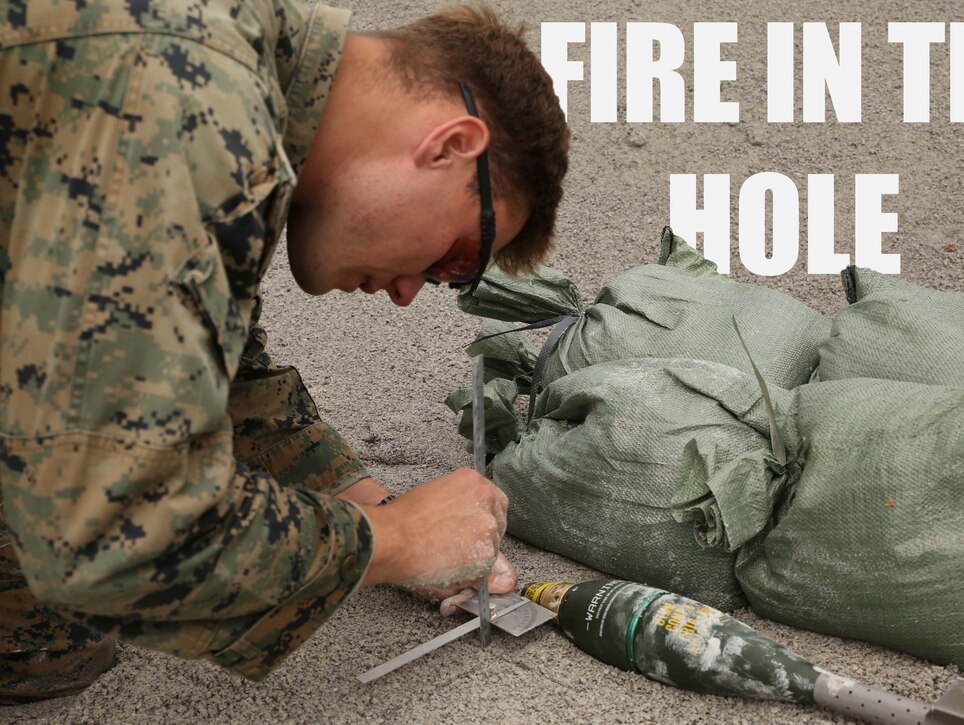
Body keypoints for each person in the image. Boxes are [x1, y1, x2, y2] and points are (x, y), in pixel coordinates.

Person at [0, 0, 569, 701]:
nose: (410, 293)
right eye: (456, 259)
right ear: (450, 145)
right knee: (41, 623)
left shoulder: (237, 65)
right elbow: (110, 532)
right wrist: (391, 543)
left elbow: (204, 358)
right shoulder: (190, 110)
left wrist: (389, 510)